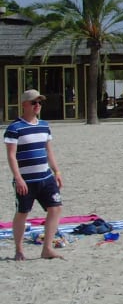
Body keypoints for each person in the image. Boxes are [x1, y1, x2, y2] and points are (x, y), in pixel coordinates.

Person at [4, 90, 64, 261]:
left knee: (56, 208)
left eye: (39, 102)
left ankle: (47, 249)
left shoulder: (44, 125)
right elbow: (11, 156)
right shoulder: (15, 128)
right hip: (26, 180)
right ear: (24, 105)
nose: (37, 105)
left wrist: (56, 171)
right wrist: (18, 178)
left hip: (45, 178)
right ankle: (19, 249)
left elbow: (49, 151)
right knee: (23, 212)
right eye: (33, 102)